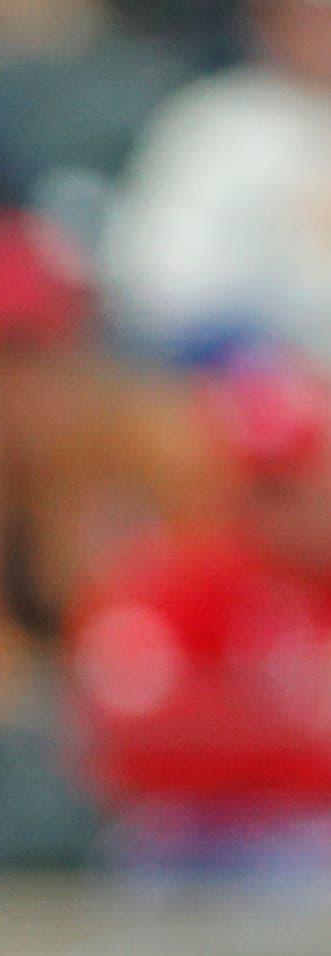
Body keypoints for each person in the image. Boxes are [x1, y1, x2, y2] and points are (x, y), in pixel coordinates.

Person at [66, 350, 331, 857]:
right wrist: (285, 729)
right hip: (203, 839)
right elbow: (120, 735)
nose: (273, 509)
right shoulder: (174, 583)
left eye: (292, 486)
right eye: (262, 486)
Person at [105, 0, 331, 368]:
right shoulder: (217, 123)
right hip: (254, 402)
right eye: (311, 4)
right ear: (266, 9)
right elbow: (152, 287)